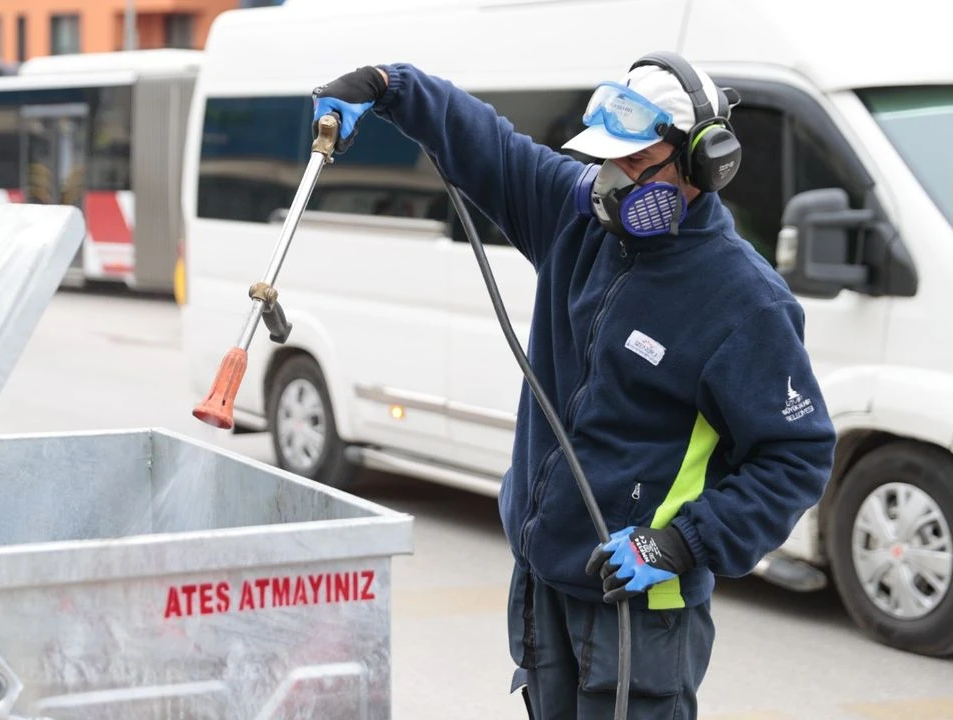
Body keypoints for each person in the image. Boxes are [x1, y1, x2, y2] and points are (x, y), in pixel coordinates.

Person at [310, 52, 837, 719]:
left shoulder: (743, 301)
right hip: (544, 578)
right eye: (607, 162)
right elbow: (491, 148)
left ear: (706, 163)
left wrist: (684, 543)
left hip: (640, 607)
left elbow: (797, 456)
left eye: (638, 166)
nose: (614, 183)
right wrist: (390, 88)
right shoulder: (579, 218)